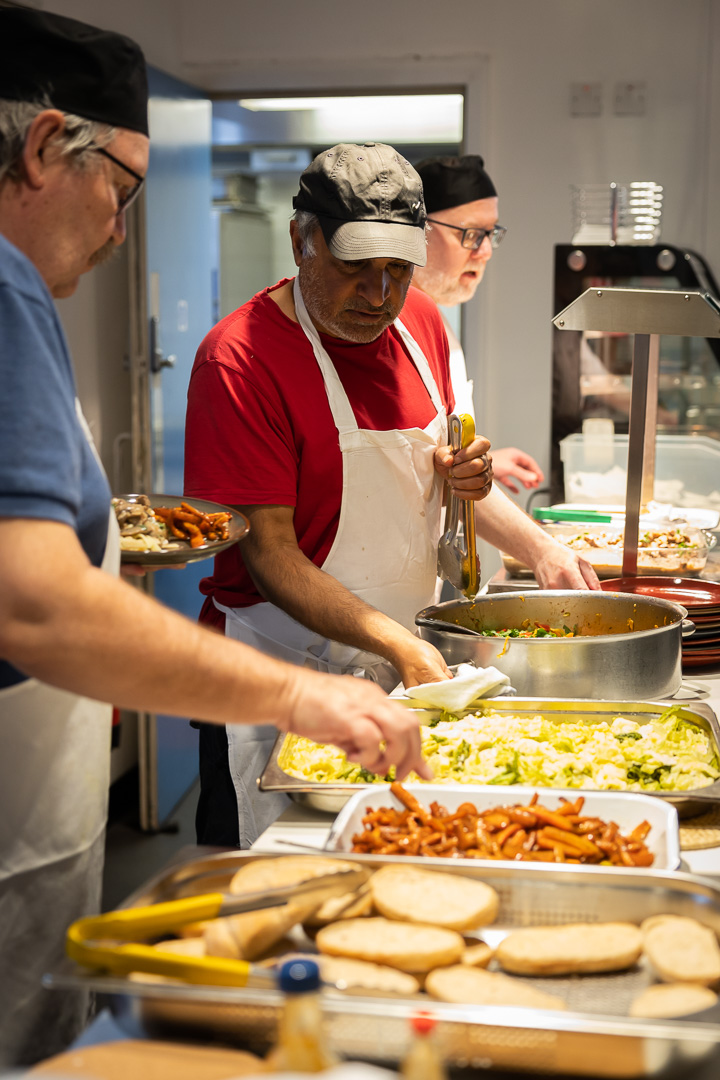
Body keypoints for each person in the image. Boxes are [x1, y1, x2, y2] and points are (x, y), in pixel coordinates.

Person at [0, 16, 427, 1068]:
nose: (117, 231)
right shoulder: (9, 294)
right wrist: (296, 695)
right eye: (125, 191)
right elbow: (37, 602)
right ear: (48, 146)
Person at [184, 143, 600, 852]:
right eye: (355, 267)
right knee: (289, 883)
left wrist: (465, 485)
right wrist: (401, 645)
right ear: (301, 240)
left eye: (398, 270)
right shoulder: (241, 359)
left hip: (405, 667)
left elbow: (438, 472)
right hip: (282, 679)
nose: (379, 295)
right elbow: (271, 556)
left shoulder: (422, 327)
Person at [413, 154, 543, 495]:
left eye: (490, 233)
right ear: (416, 232)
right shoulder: (393, 324)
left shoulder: (436, 317)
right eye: (471, 234)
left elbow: (433, 456)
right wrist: (546, 552)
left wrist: (485, 462)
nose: (485, 251)